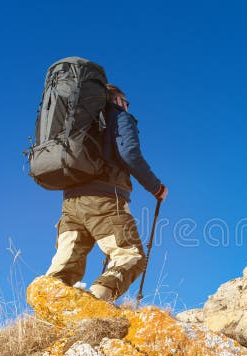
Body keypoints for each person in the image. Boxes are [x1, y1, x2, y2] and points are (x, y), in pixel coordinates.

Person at [45, 84, 167, 301]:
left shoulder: (78, 123)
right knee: (132, 256)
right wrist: (156, 187)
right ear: (118, 100)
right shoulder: (119, 116)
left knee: (64, 267)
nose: (127, 107)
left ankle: (46, 314)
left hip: (70, 201)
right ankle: (95, 305)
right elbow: (130, 154)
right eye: (126, 102)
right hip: (104, 200)